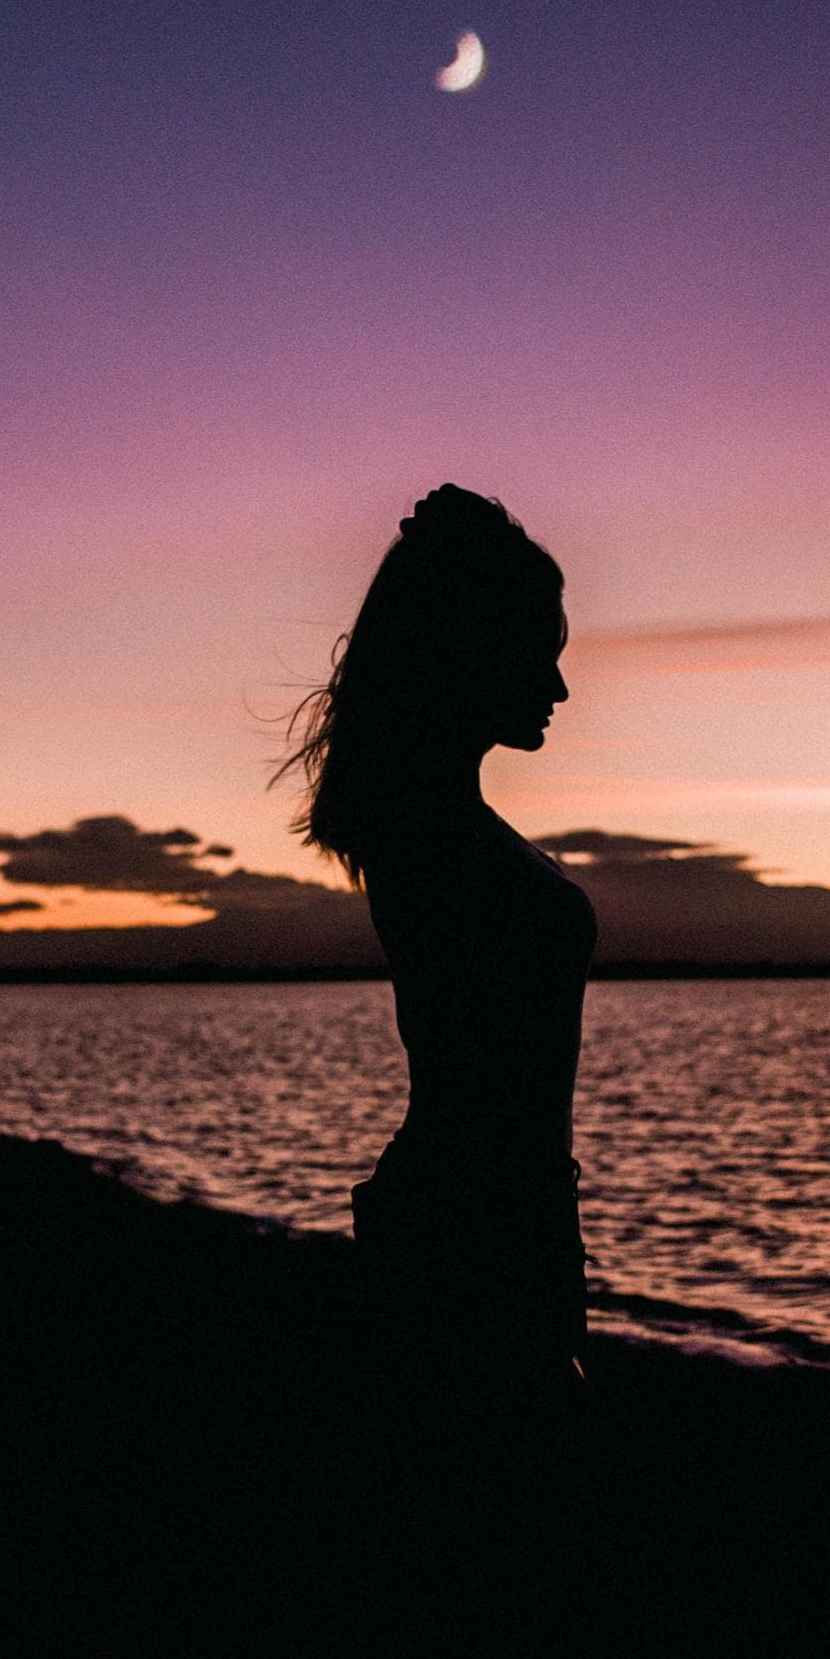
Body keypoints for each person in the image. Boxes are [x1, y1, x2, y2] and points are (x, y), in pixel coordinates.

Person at [270, 484, 597, 1474]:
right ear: (471, 645)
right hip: (470, 1231)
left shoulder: (445, 824)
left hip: (496, 1213)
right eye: (541, 649)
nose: (559, 684)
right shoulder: (428, 836)